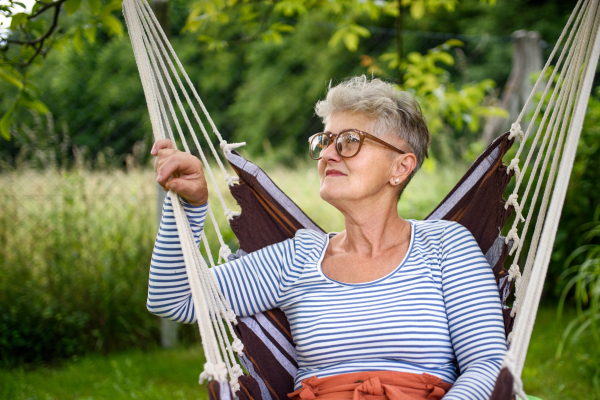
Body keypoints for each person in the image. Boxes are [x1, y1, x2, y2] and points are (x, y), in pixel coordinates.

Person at [147, 76, 507, 400]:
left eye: (351, 140)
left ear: (400, 167)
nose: (329, 153)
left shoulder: (446, 246)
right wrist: (191, 206)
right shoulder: (299, 259)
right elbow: (173, 298)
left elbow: (488, 363)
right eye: (325, 140)